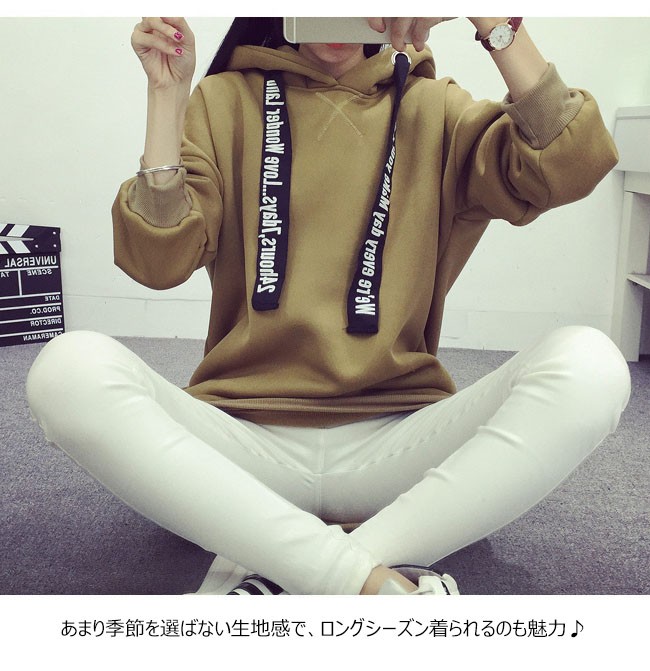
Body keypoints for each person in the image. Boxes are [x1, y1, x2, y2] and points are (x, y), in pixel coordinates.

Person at [27, 17, 631, 596]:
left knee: (590, 367)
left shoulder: (436, 107)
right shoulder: (224, 100)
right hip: (242, 442)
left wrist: (489, 16)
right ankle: (366, 578)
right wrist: (167, 94)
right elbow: (157, 261)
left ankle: (296, 569)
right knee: (67, 371)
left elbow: (572, 163)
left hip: (397, 444)